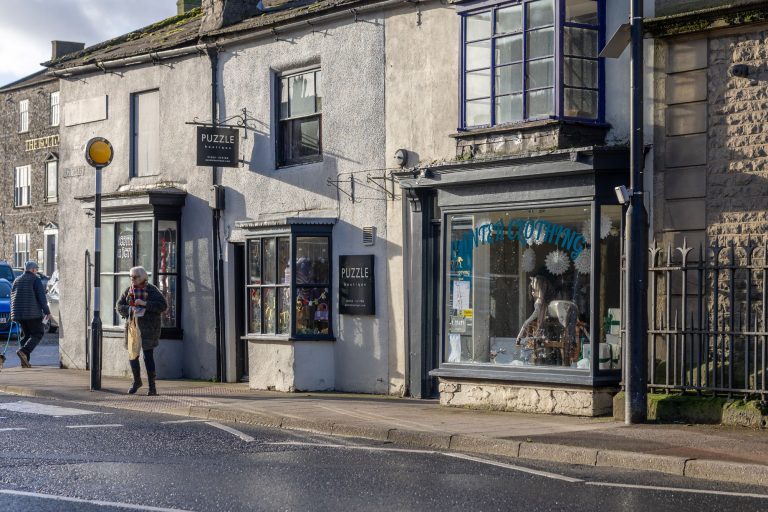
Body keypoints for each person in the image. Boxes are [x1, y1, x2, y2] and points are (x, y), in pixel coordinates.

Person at [116, 266, 167, 396]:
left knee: (148, 356)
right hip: (133, 327)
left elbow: (163, 305)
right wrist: (130, 309)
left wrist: (144, 304)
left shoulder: (152, 290)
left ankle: (152, 387)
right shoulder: (129, 290)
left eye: (135, 277)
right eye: (131, 277)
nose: (132, 279)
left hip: (149, 328)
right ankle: (137, 381)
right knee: (133, 356)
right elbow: (119, 306)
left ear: (143, 277)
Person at [11, 261, 50, 368]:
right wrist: (47, 311)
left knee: (27, 336)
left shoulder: (16, 280)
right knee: (38, 333)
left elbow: (12, 297)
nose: (36, 271)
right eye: (36, 269)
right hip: (33, 314)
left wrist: (13, 314)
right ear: (32, 269)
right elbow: (42, 298)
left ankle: (24, 361)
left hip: (19, 315)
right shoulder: (35, 280)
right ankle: (24, 351)